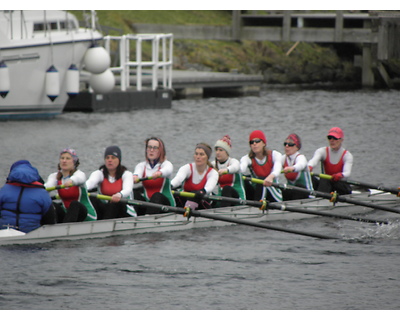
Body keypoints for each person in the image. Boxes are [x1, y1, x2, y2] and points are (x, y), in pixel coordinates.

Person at [0, 160, 56, 233]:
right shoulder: (42, 193)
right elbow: (50, 219)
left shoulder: (4, 190)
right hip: (32, 233)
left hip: (4, 231)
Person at [45, 148, 97, 223]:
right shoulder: (54, 177)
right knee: (51, 205)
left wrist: (71, 181)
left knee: (74, 204)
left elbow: (79, 178)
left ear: (74, 162)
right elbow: (47, 187)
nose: (64, 161)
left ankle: (65, 229)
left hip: (87, 215)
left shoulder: (79, 174)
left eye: (68, 158)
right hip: (68, 214)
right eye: (62, 158)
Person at [86, 145, 136, 219]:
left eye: (113, 157)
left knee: (114, 203)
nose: (109, 160)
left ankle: (103, 224)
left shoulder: (127, 174)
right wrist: (81, 189)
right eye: (107, 158)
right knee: (92, 199)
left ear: (119, 160)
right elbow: (90, 183)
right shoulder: (99, 173)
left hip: (125, 209)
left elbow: (128, 189)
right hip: (106, 209)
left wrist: (119, 195)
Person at [133, 137, 175, 215]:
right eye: (149, 147)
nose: (151, 150)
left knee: (156, 195)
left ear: (160, 151)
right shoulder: (141, 166)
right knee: (133, 194)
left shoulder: (166, 164)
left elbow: (168, 169)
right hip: (148, 204)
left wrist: (160, 173)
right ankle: (133, 216)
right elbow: (137, 173)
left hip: (166, 206)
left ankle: (147, 218)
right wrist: (134, 177)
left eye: (155, 148)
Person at [171, 143, 219, 210]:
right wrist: (170, 185)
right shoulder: (187, 168)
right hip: (186, 200)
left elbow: (209, 187)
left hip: (203, 201)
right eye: (196, 154)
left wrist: (202, 191)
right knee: (172, 192)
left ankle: (186, 212)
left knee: (196, 194)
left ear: (207, 157)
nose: (198, 157)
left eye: (201, 154)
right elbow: (178, 179)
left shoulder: (213, 173)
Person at [307, 127, 353, 195]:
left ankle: (321, 198)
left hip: (341, 185)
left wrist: (340, 175)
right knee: (309, 177)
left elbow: (347, 172)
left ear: (341, 140)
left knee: (324, 179)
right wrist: (309, 167)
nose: (332, 140)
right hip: (328, 184)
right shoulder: (322, 151)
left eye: (335, 138)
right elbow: (313, 160)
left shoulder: (347, 155)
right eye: (330, 138)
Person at [240, 130, 283, 202]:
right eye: (252, 142)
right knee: (243, 179)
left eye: (257, 141)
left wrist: (270, 177)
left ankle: (257, 207)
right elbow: (241, 168)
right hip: (257, 192)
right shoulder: (246, 158)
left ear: (264, 143)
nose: (254, 144)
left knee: (261, 180)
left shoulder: (275, 155)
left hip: (274, 193)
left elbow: (277, 169)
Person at [211, 135, 246, 207]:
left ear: (227, 152)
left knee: (226, 188)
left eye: (221, 150)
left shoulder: (233, 162)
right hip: (221, 199)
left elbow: (235, 167)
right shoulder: (213, 164)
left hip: (238, 199)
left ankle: (223, 212)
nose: (218, 152)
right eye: (216, 150)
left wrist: (226, 170)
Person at [281, 133, 314, 200]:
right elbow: (274, 166)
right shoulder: (283, 158)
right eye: (285, 144)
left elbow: (300, 165)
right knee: (283, 188)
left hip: (308, 195)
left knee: (298, 187)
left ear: (297, 147)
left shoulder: (301, 157)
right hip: (293, 193)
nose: (287, 146)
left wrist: (292, 168)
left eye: (290, 144)